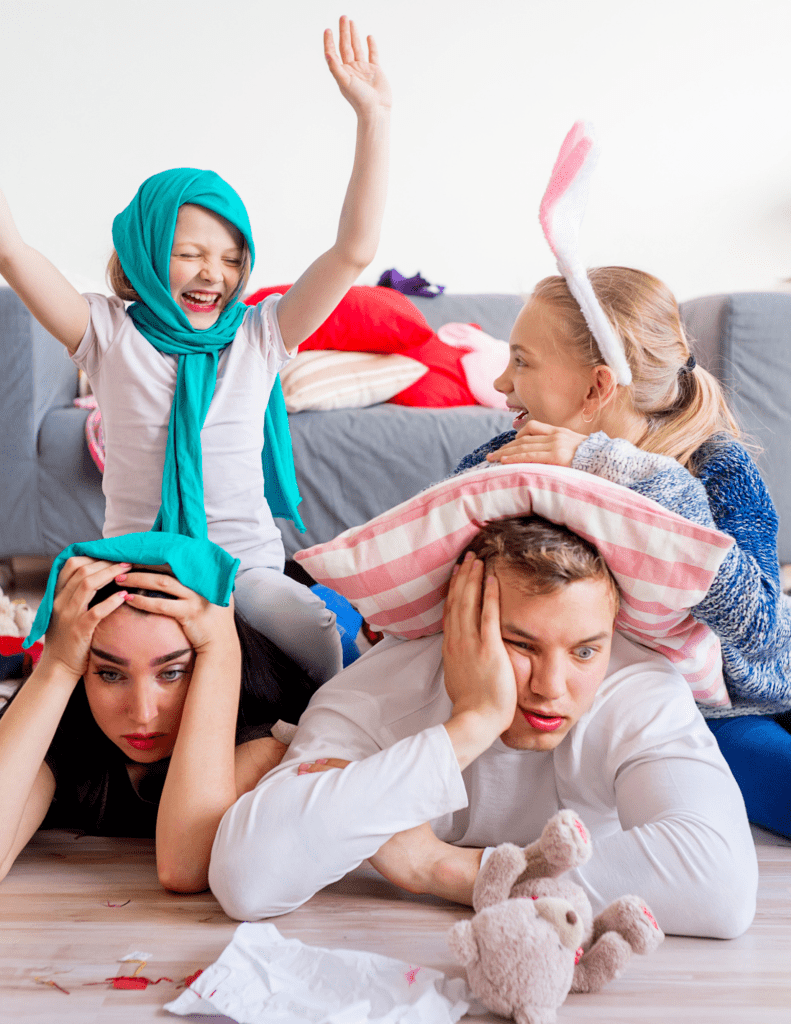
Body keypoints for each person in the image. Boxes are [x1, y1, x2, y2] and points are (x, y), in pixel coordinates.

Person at [0, 16, 391, 686]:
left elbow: (353, 250)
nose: (214, 272)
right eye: (190, 254)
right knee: (77, 650)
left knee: (310, 625)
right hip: (140, 562)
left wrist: (373, 119)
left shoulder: (261, 333)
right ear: (149, 254)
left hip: (243, 565)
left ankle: (321, 724)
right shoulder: (106, 332)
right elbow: (11, 250)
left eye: (231, 258)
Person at [208, 515, 758, 940]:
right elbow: (246, 879)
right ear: (459, 623)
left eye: (585, 650)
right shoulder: (374, 695)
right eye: (520, 645)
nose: (551, 685)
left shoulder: (635, 687)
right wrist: (471, 723)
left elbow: (722, 886)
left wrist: (443, 869)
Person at [453, 268, 791, 839]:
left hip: (736, 699)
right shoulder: (512, 453)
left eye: (523, 362)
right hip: (678, 715)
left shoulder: (716, 468)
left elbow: (768, 648)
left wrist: (608, 466)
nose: (501, 384)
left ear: (596, 389)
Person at [0, 556, 317, 891]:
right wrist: (57, 665)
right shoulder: (66, 719)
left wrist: (222, 648)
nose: (142, 713)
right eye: (110, 674)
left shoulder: (263, 735)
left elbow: (185, 868)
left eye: (172, 673)